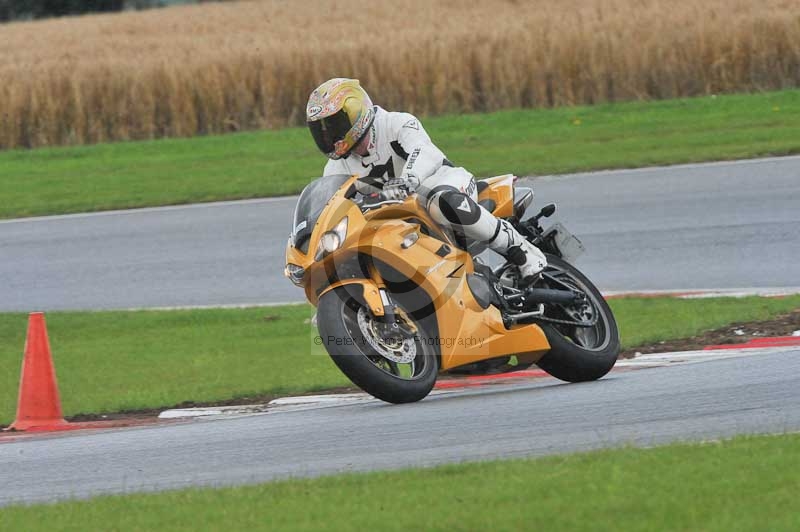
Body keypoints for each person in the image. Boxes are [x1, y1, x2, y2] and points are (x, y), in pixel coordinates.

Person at [306, 78, 547, 284]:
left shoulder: (396, 123)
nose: (328, 135)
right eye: (321, 130)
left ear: (356, 111)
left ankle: (521, 250)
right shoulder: (335, 168)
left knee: (440, 202)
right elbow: (334, 206)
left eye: (334, 125)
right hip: (399, 218)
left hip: (443, 183)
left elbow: (423, 151)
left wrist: (408, 179)